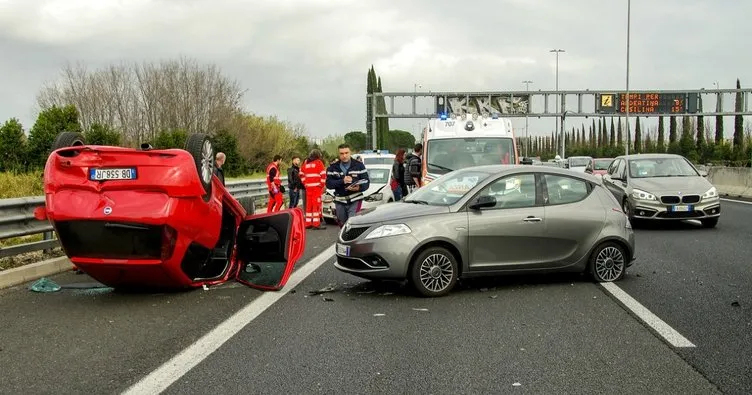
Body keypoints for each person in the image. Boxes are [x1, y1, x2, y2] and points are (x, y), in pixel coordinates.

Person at [326, 143, 369, 227]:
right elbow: (329, 184)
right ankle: (344, 239)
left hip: (355, 199)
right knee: (342, 225)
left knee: (352, 223)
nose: (344, 156)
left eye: (346, 153)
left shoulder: (359, 166)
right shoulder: (333, 167)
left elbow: (366, 182)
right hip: (340, 200)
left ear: (350, 153)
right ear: (339, 154)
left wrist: (358, 187)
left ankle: (353, 240)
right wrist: (342, 181)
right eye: (342, 153)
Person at [300, 149, 327, 229]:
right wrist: (321, 184)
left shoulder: (306, 164)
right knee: (316, 205)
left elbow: (301, 174)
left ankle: (308, 223)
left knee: (309, 206)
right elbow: (323, 174)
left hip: (309, 188)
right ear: (318, 155)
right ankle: (316, 224)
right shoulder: (319, 163)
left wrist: (305, 183)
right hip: (316, 188)